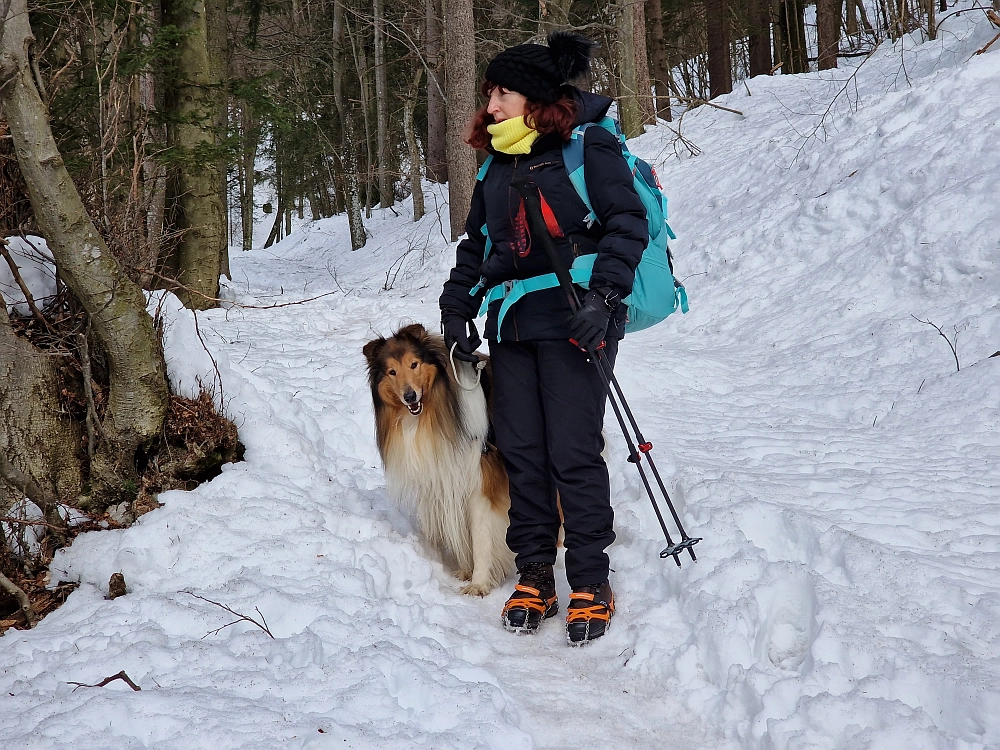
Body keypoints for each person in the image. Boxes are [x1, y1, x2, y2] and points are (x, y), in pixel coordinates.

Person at [438, 32, 647, 644]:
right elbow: (478, 246)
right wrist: (457, 310)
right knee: (523, 454)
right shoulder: (495, 166)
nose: (491, 103)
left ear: (532, 97)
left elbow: (626, 223)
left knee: (572, 454)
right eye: (489, 92)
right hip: (511, 325)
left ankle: (589, 579)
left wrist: (605, 298)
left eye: (501, 91)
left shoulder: (589, 148)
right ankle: (534, 573)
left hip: (578, 319)